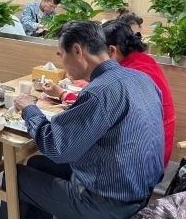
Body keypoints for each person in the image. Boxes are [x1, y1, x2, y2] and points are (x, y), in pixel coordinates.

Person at [0, 20, 164, 219]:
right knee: (38, 163)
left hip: (109, 211)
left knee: (16, 176)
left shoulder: (99, 91)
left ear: (77, 50)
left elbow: (56, 147)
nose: (61, 62)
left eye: (60, 54)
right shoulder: (141, 79)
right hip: (138, 198)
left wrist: (30, 110)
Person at [43, 20, 175, 167]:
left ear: (111, 51)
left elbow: (59, 148)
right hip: (148, 160)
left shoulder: (119, 80)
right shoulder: (141, 69)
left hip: (137, 162)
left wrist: (61, 94)